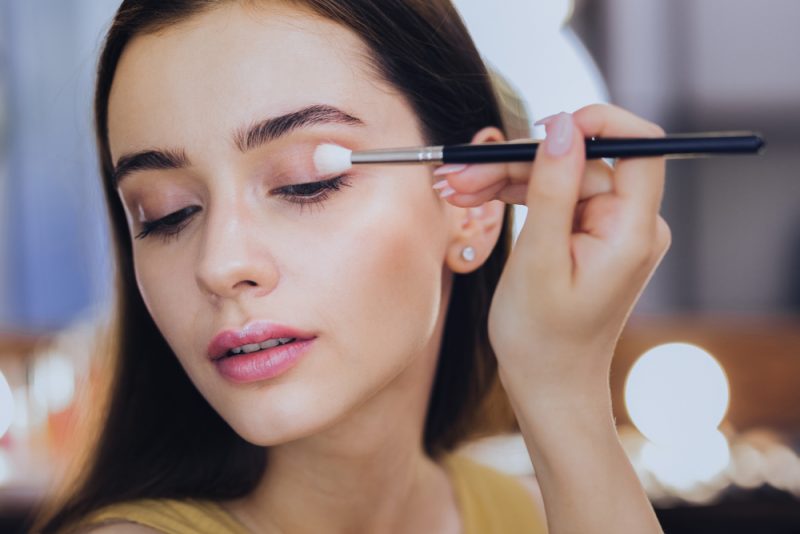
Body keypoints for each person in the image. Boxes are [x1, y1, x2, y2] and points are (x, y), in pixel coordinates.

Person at [33, 1, 671, 533]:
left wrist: (562, 389)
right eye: (166, 214)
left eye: (305, 183)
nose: (221, 264)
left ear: (471, 209)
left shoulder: (535, 515)